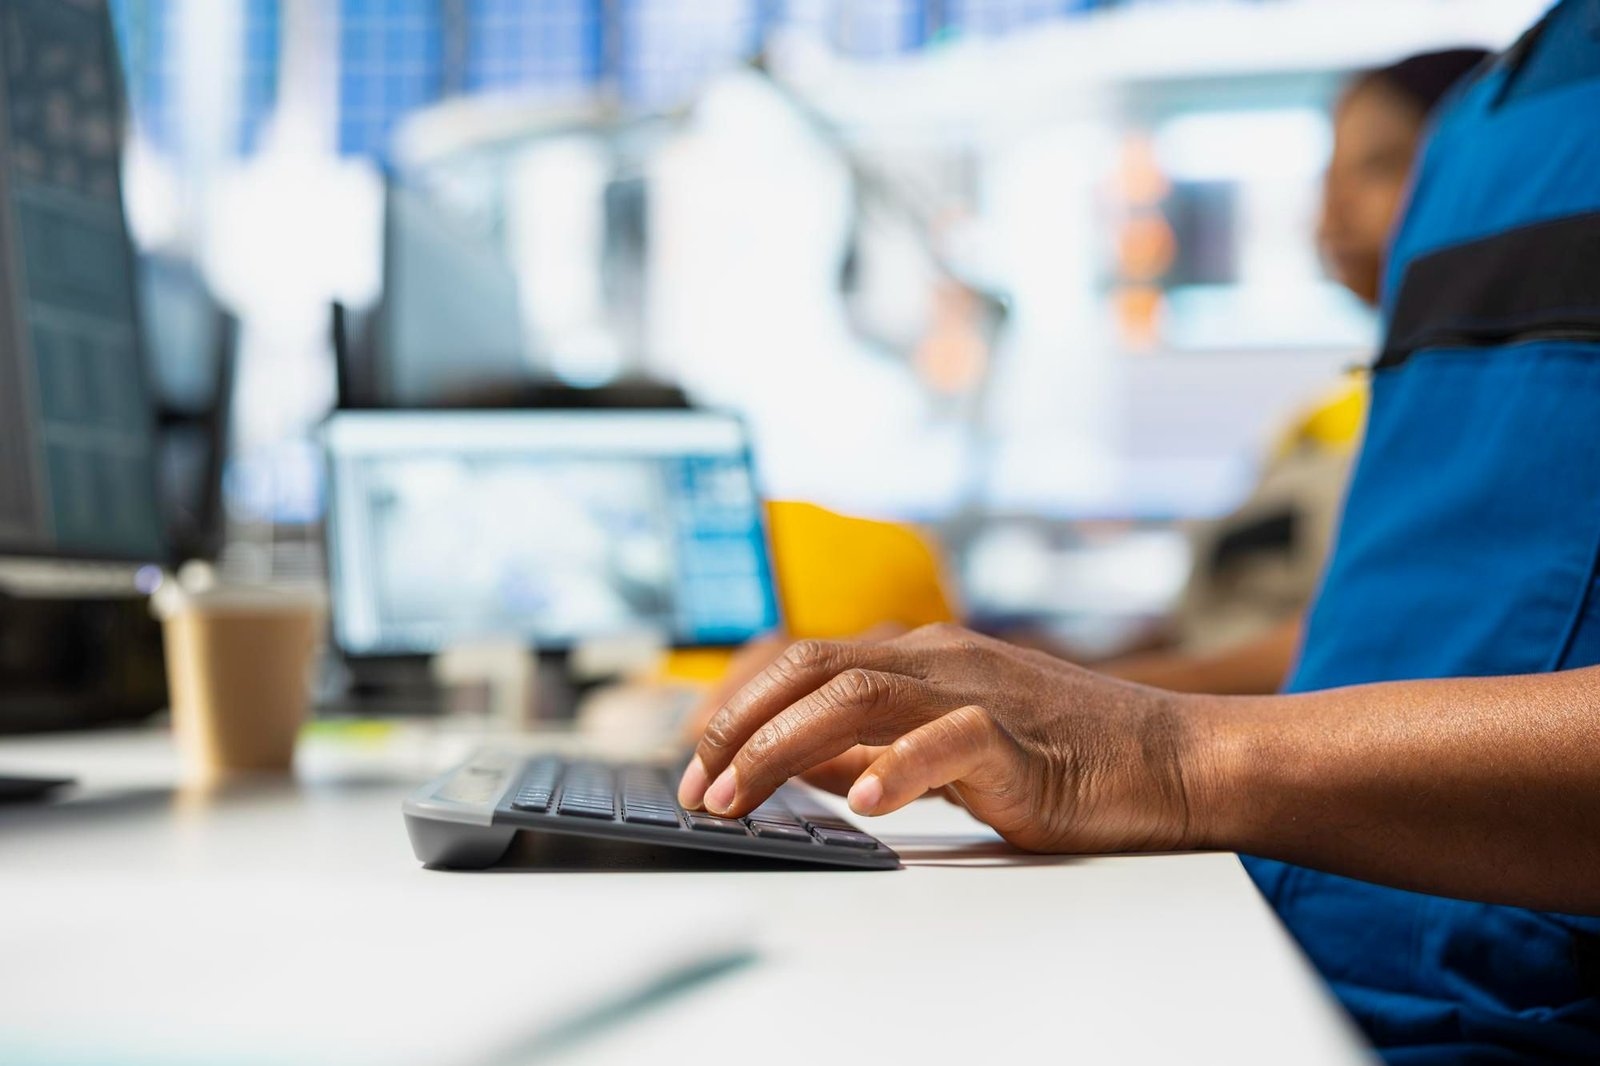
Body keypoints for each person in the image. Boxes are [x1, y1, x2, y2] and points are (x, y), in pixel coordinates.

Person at [679, 5, 1600, 1063]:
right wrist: (1020, 691)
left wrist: (1168, 751)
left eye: (1369, 171)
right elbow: (1386, 629)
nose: (1333, 214)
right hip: (1267, 936)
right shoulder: (1484, 118)